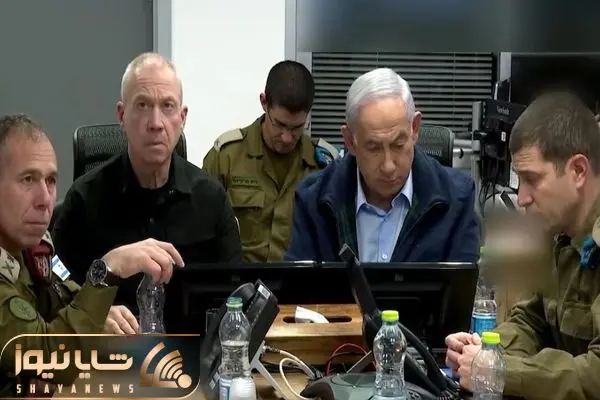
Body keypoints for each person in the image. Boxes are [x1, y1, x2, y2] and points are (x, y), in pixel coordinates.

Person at [0, 114, 183, 397]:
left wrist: (98, 314)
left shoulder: (30, 248)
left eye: (51, 180)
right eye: (27, 179)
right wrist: (107, 271)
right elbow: (49, 359)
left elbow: (60, 298)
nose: (45, 199)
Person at [52, 53, 241, 315]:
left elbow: (235, 294)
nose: (155, 123)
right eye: (142, 105)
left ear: (182, 117)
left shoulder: (211, 199)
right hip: (110, 338)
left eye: (168, 106)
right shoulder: (84, 199)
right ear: (122, 115)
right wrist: (93, 311)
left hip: (190, 339)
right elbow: (54, 287)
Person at [445, 91, 600, 400]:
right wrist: (486, 349)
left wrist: (500, 373)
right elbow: (532, 320)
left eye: (533, 179)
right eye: (520, 180)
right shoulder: (556, 231)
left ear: (578, 171)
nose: (523, 198)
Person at [284, 68, 480, 263]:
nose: (388, 166)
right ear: (350, 141)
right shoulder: (313, 201)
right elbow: (297, 282)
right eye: (374, 148)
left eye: (398, 145)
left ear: (414, 128)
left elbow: (463, 282)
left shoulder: (457, 200)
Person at [203, 60, 338, 262]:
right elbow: (202, 233)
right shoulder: (226, 157)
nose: (287, 137)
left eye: (297, 128)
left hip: (301, 279)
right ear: (264, 102)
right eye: (280, 124)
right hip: (240, 278)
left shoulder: (325, 166)